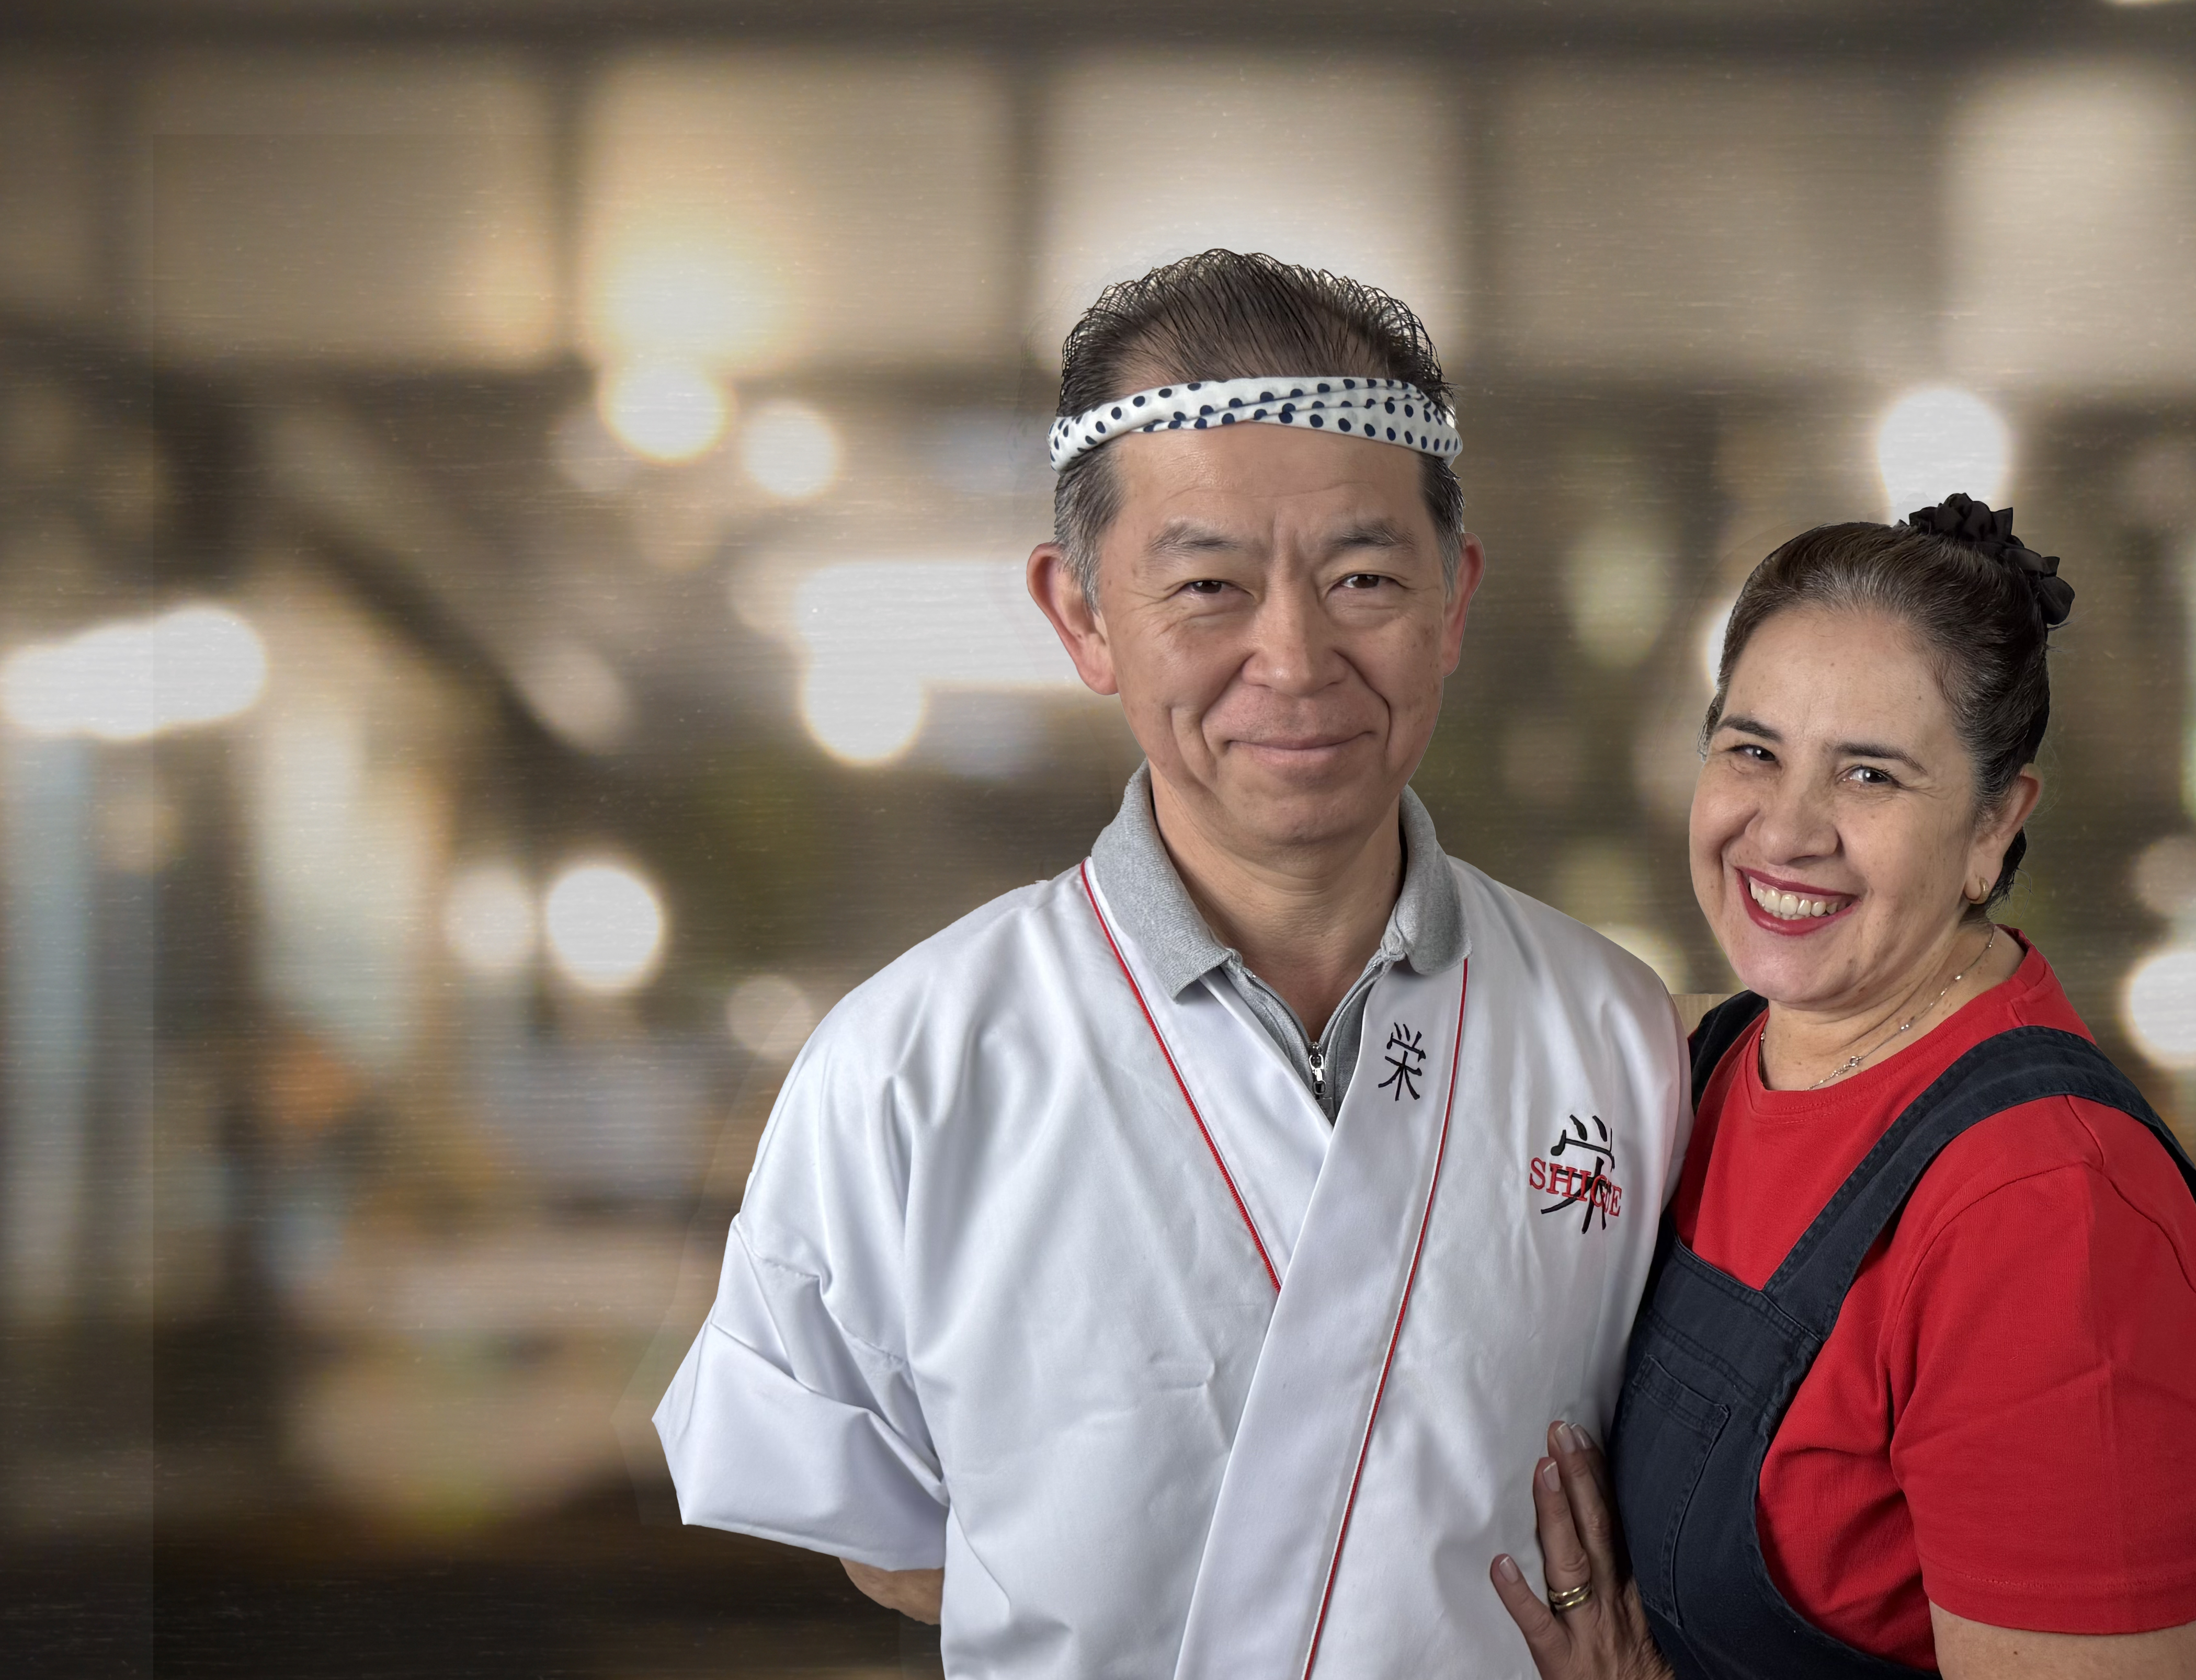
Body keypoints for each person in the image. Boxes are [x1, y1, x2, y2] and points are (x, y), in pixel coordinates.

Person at [655, 250, 1690, 1680]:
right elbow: (889, 1540)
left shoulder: (1617, 1033)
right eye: (1207, 582)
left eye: (1365, 574)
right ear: (1080, 614)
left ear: (1453, 600)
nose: (1296, 654)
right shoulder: (903, 1065)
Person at [1489, 497, 2196, 1680]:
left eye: (1870, 774)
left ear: (1997, 822)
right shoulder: (1703, 1065)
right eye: (1752, 749)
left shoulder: (2048, 1213)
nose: (1785, 830)